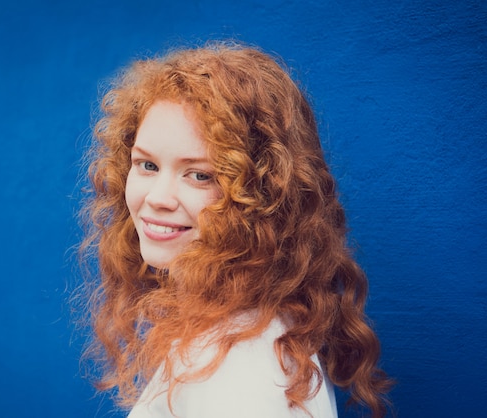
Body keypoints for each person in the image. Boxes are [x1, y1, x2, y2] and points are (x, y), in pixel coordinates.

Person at [77, 42, 392, 417]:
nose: (158, 197)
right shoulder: (225, 331)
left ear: (263, 196)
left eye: (200, 175)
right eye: (147, 165)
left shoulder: (238, 367)